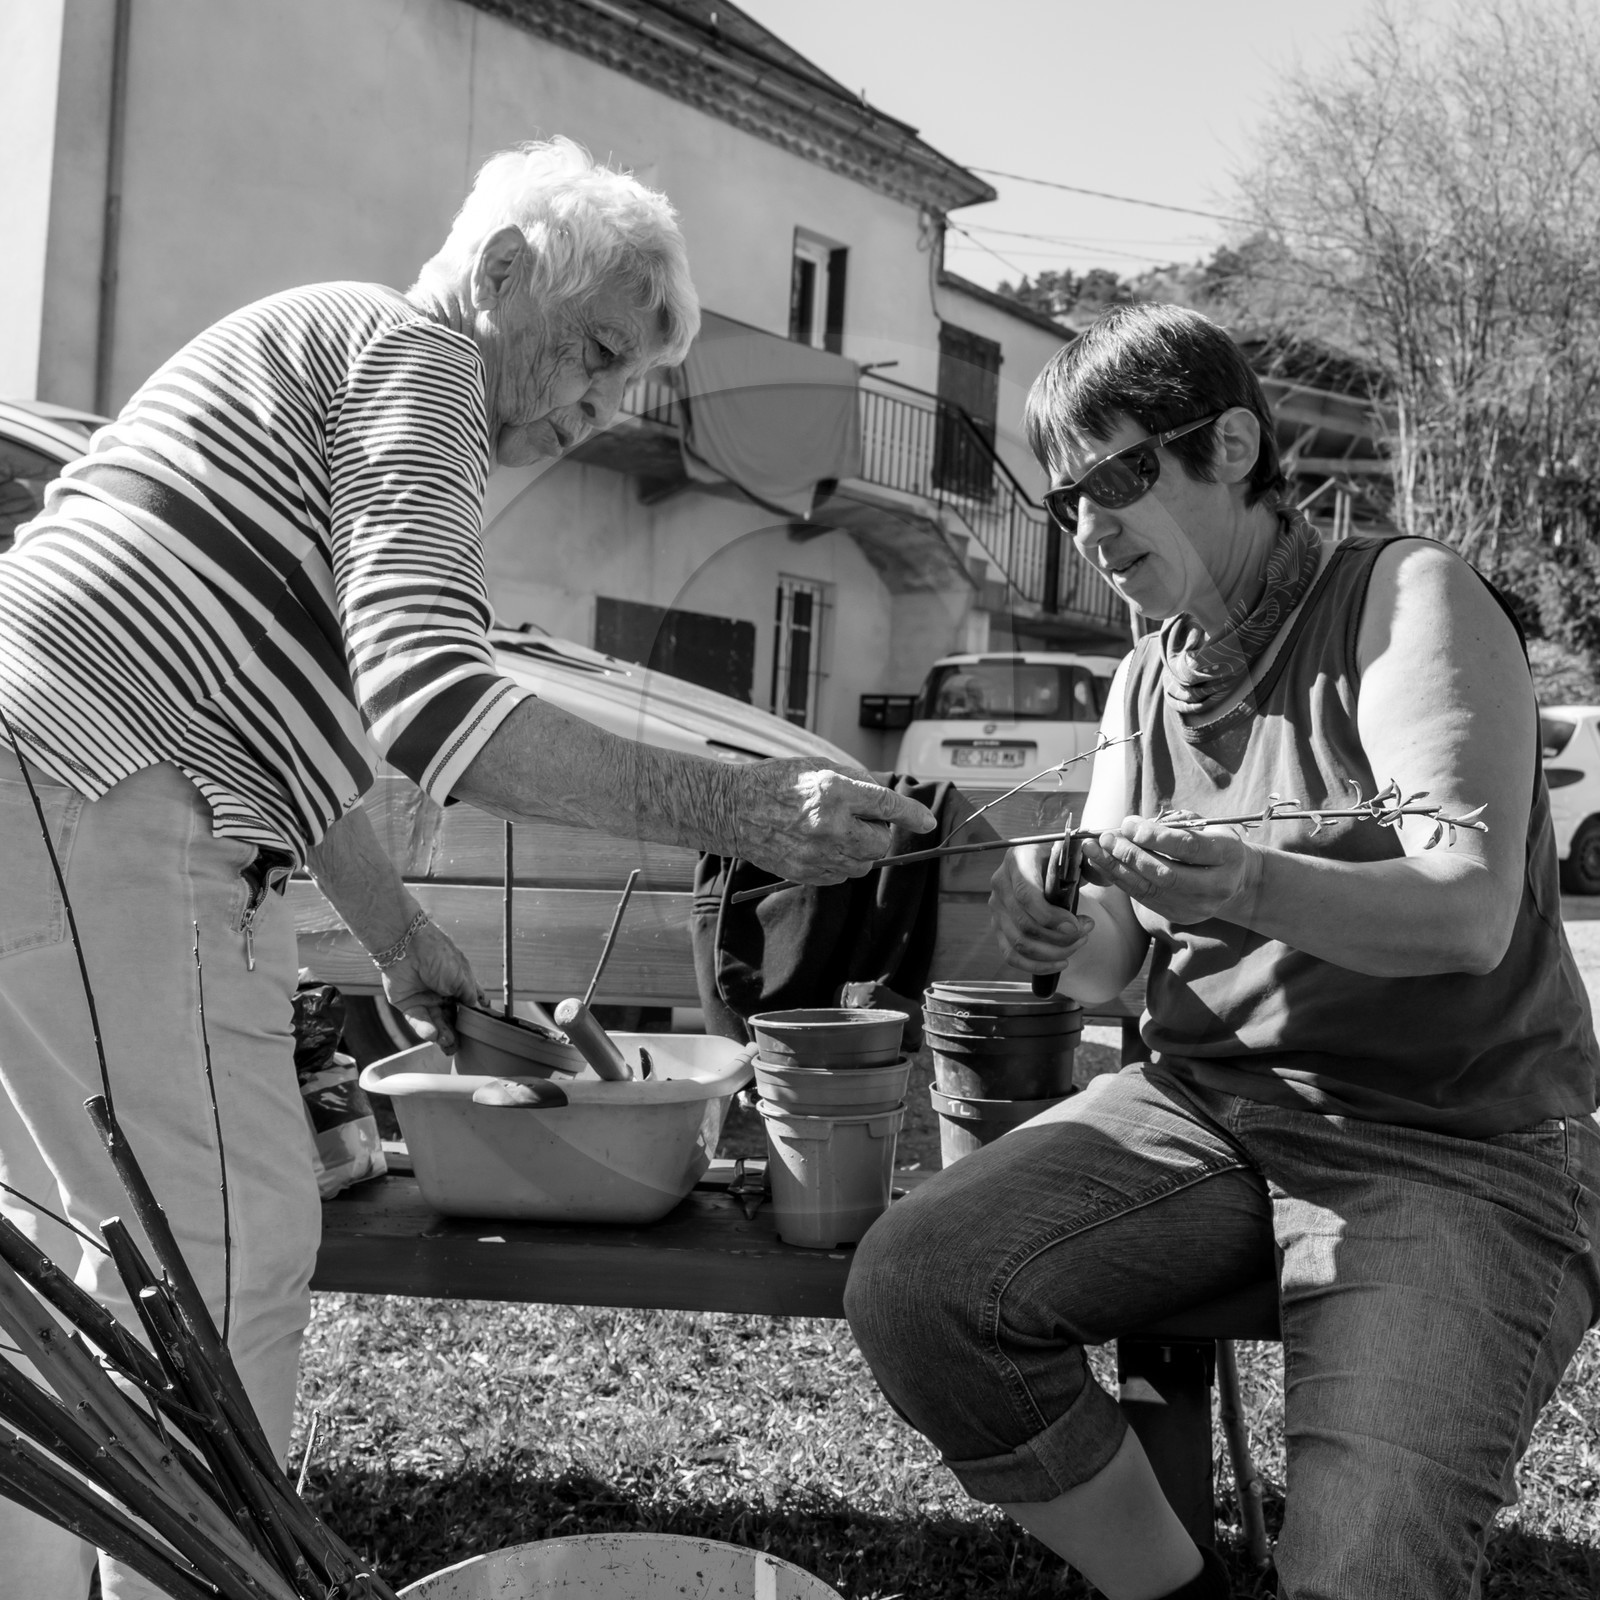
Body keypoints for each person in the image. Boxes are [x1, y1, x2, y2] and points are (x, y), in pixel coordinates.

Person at [0, 138, 934, 1600]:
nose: (599, 406)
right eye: (598, 354)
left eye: (627, 380)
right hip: (99, 782)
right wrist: (739, 810)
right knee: (221, 1256)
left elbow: (256, 700)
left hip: (52, 768)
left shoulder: (326, 348)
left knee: (88, 1264)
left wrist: (394, 930)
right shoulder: (416, 362)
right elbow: (429, 696)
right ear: (501, 276)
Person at [844, 302, 1600, 1600]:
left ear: (1235, 446)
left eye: (1120, 475)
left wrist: (1247, 878)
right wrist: (1057, 923)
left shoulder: (1407, 598)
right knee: (919, 1286)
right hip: (1211, 1112)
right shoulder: (1146, 678)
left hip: (1456, 1144)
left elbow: (1469, 913)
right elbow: (1115, 971)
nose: (1088, 525)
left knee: (1362, 1573)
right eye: (1066, 495)